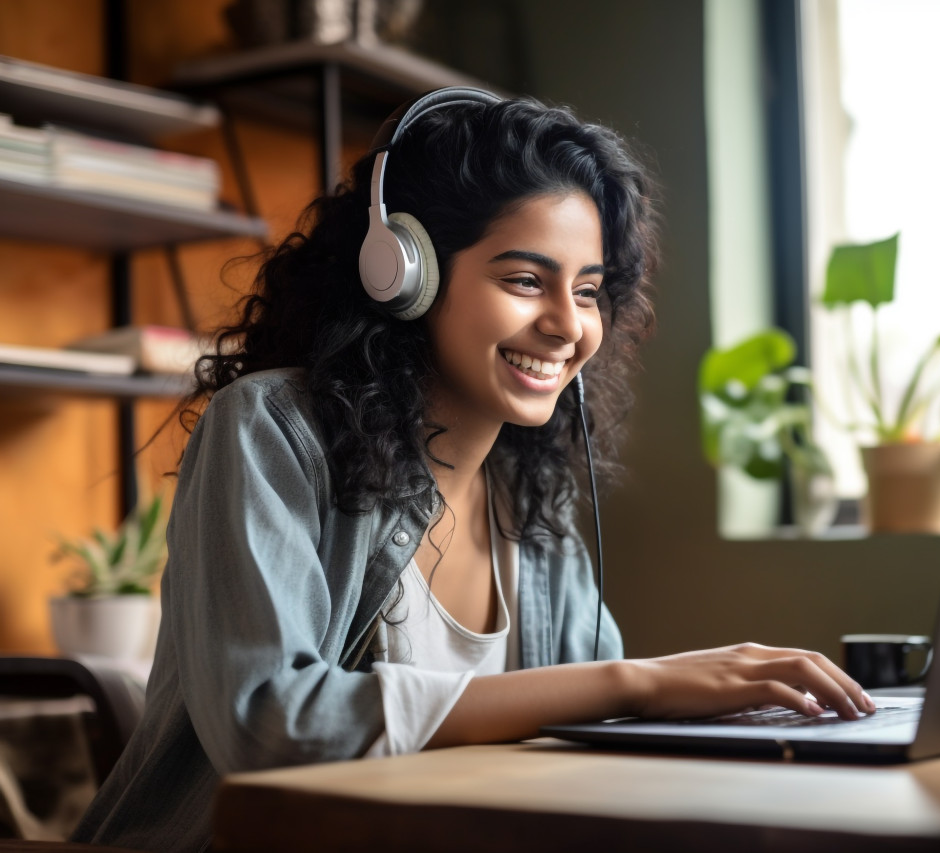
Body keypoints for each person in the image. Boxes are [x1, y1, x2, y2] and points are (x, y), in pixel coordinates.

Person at [71, 89, 875, 852]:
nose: (568, 325)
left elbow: (590, 737)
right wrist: (636, 683)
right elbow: (273, 725)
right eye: (526, 280)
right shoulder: (273, 429)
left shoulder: (534, 499)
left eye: (589, 290)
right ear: (405, 276)